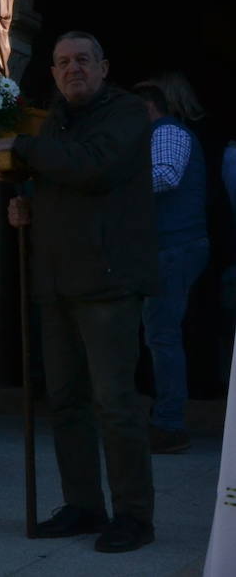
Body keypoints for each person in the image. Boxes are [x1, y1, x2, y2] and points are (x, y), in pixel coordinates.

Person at [0, 31, 157, 554]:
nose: (71, 69)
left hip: (107, 281)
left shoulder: (127, 113)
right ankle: (84, 504)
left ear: (104, 67)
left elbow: (93, 165)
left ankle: (133, 516)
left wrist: (24, 149)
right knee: (65, 401)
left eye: (82, 60)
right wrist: (29, 209)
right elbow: (62, 181)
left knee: (115, 403)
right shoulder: (56, 118)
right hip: (56, 280)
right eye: (61, 63)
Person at [134, 73, 208, 454]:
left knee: (162, 336)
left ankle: (168, 424)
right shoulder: (167, 131)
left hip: (173, 246)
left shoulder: (165, 131)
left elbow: (165, 175)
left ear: (148, 107)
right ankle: (164, 418)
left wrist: (117, 185)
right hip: (173, 246)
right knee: (160, 335)